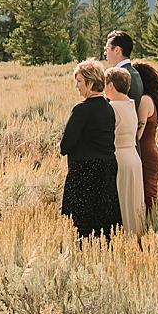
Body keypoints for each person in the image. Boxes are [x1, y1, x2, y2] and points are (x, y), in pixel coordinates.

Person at [59, 61, 121, 236]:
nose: (76, 86)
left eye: (79, 81)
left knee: (82, 222)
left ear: (91, 83)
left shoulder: (81, 110)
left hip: (84, 172)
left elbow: (66, 145)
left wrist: (61, 146)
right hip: (107, 168)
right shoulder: (108, 108)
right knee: (104, 219)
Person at [105, 64, 146, 236]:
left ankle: (122, 238)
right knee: (133, 201)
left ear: (111, 86)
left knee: (121, 200)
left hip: (119, 157)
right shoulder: (130, 104)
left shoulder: (112, 107)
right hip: (133, 157)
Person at [135, 60, 158, 213]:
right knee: (148, 198)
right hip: (150, 153)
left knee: (148, 200)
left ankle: (151, 232)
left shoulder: (144, 100)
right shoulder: (150, 99)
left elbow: (138, 134)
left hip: (146, 155)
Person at [103, 29, 144, 105]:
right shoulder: (136, 74)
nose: (105, 53)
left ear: (117, 50)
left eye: (107, 49)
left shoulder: (118, 76)